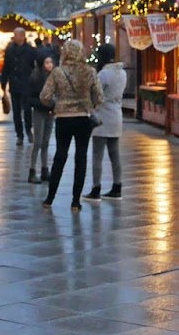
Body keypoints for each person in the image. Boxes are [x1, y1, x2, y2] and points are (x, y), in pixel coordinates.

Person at [40, 38, 101, 210]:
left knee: (60, 156)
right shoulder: (90, 72)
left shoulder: (58, 72)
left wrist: (57, 104)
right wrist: (89, 103)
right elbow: (100, 97)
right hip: (83, 119)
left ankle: (49, 198)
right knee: (81, 157)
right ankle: (75, 201)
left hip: (63, 119)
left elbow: (45, 96)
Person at [89, 42, 126, 199]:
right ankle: (117, 186)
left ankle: (96, 188)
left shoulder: (103, 74)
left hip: (102, 116)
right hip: (117, 115)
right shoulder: (122, 73)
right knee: (115, 154)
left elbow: (96, 95)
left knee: (97, 154)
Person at [2, 28, 39, 145]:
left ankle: (28, 130)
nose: (14, 37)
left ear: (22, 36)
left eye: (16, 35)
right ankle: (19, 135)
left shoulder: (31, 50)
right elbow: (6, 67)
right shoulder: (9, 50)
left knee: (27, 110)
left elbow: (35, 67)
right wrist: (3, 82)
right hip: (14, 84)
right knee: (16, 112)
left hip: (27, 84)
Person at [27, 55, 55, 183]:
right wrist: (42, 103)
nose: (49, 65)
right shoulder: (35, 77)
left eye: (51, 62)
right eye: (47, 62)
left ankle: (45, 169)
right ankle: (32, 170)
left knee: (46, 142)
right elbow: (29, 98)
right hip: (39, 111)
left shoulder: (54, 76)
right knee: (37, 142)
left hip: (51, 112)